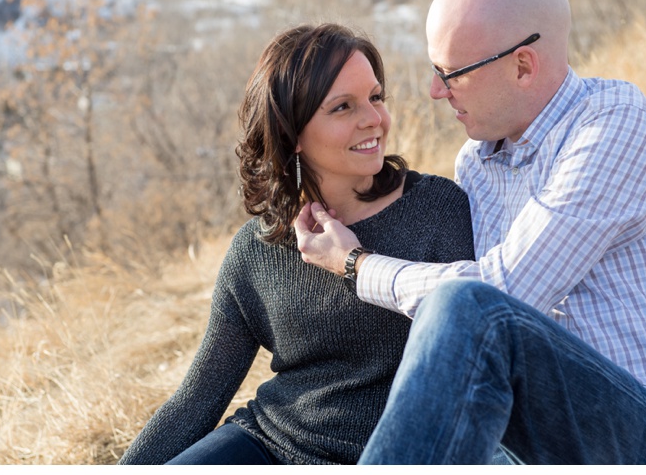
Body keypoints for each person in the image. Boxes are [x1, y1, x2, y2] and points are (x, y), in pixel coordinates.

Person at [294, 0, 646, 465]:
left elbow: (505, 294)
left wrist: (357, 265)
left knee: (467, 307)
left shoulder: (618, 125)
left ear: (522, 66)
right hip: (527, 432)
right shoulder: (476, 161)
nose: (434, 91)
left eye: (451, 73)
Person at [117, 23, 475, 465]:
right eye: (343, 106)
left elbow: (470, 369)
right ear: (293, 134)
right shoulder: (256, 249)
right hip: (267, 443)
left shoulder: (438, 209)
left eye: (376, 97)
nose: (374, 119)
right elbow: (197, 400)